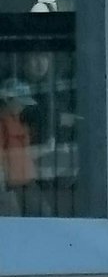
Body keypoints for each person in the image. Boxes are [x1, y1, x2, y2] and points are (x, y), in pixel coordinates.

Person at [0, 78, 51, 216]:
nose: (22, 107)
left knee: (43, 214)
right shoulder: (3, 123)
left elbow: (24, 153)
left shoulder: (21, 121)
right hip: (11, 185)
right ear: (8, 100)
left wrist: (45, 149)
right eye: (19, 103)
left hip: (27, 179)